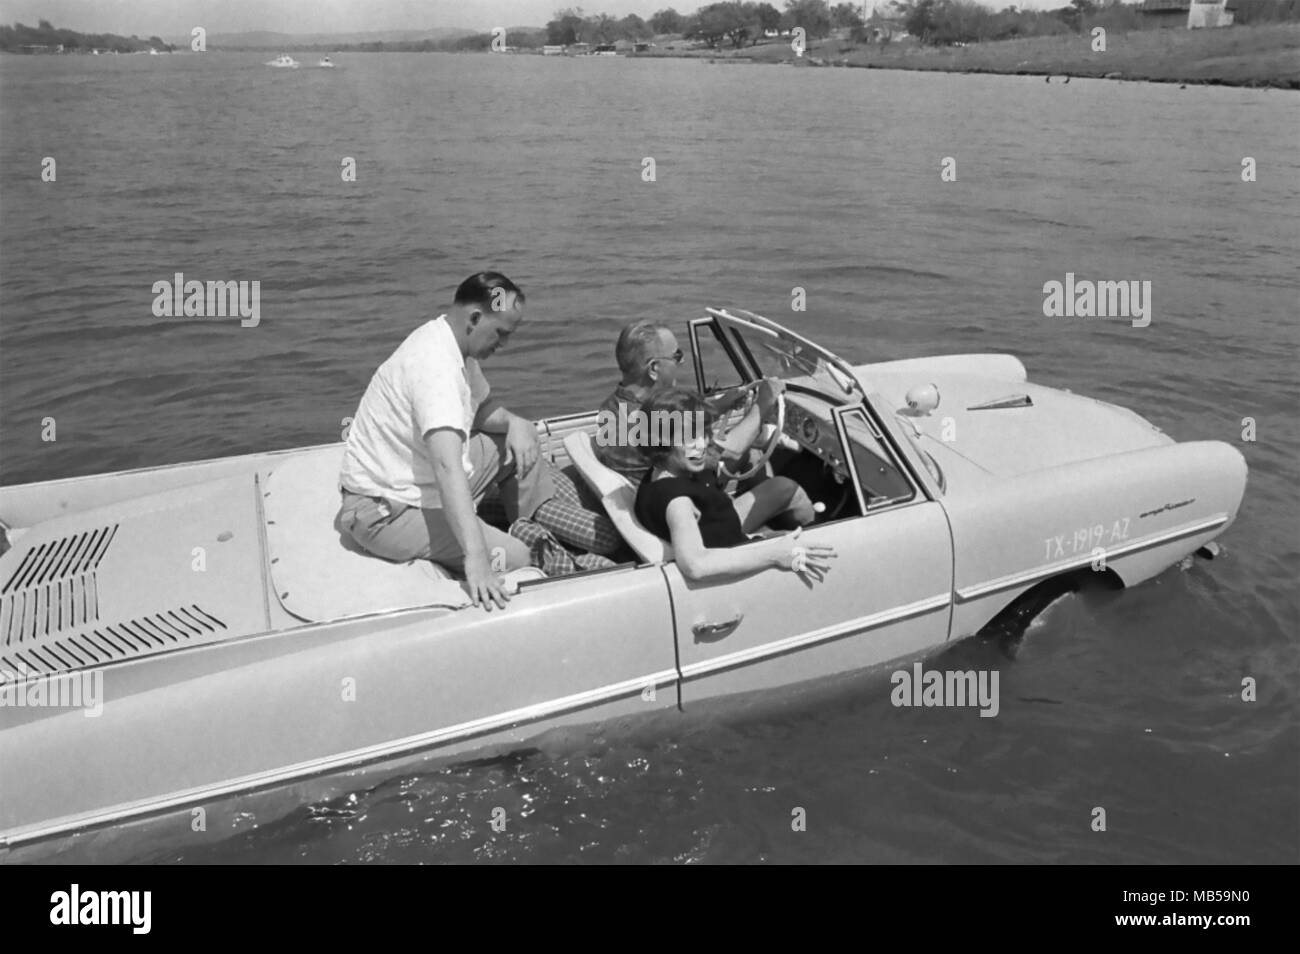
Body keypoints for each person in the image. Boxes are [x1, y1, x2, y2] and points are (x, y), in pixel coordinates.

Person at [338, 271, 581, 610]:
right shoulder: (435, 367)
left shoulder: (454, 344)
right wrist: (477, 557)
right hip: (385, 513)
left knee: (515, 445)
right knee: (519, 557)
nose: (504, 344)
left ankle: (534, 523)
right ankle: (521, 549)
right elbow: (447, 466)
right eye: (501, 333)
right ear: (476, 318)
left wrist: (517, 423)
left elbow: (480, 412)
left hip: (413, 480)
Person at [634, 389, 836, 583]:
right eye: (689, 438)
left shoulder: (659, 474)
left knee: (783, 486)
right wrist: (775, 554)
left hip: (725, 533)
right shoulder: (678, 503)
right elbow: (696, 565)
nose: (702, 444)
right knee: (828, 550)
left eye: (704, 433)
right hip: (737, 555)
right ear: (661, 441)